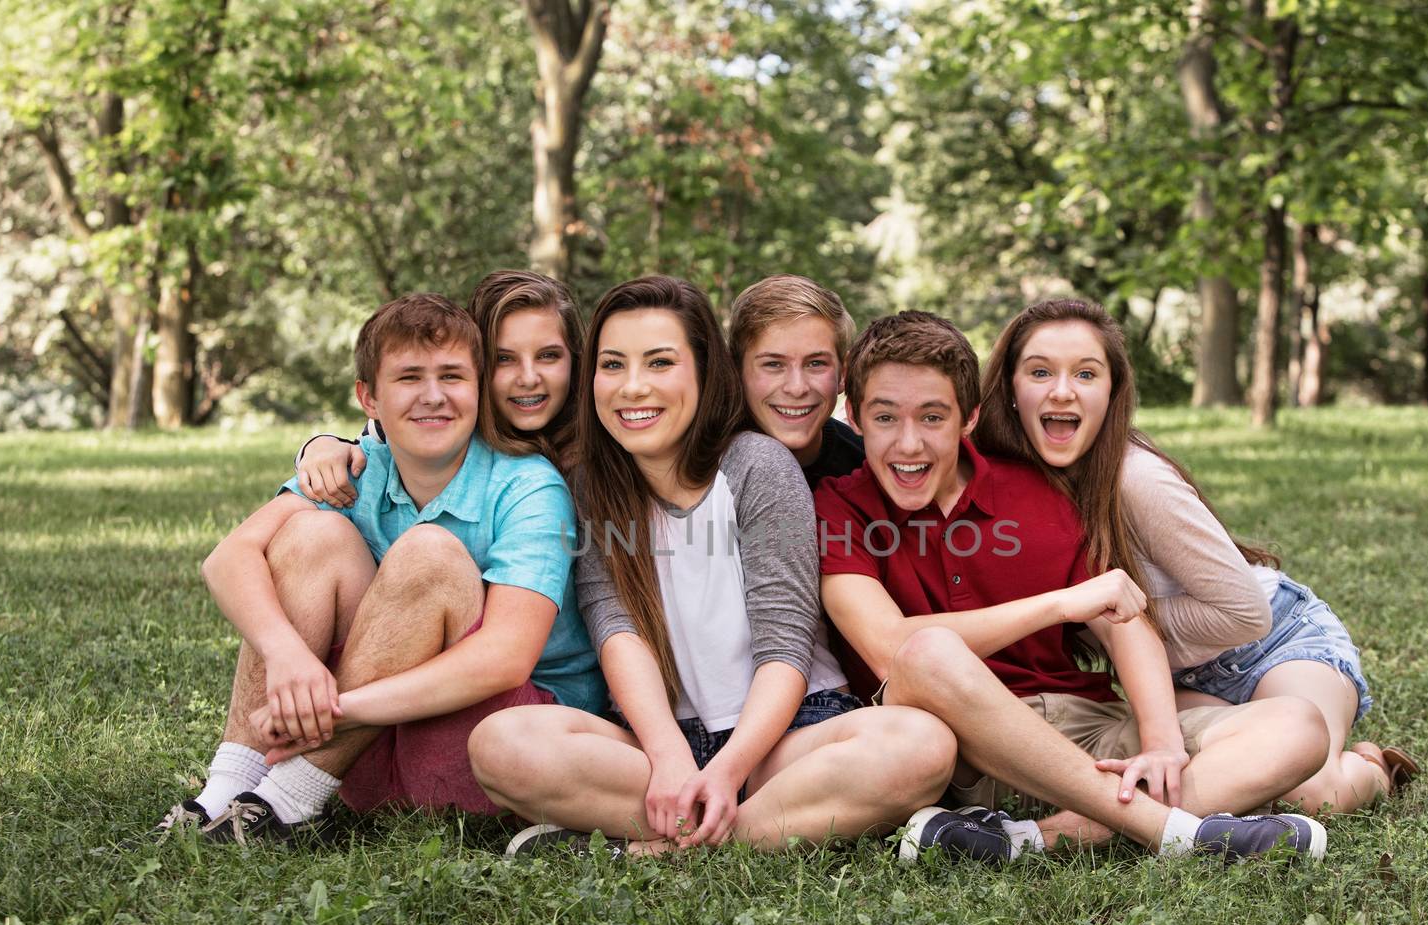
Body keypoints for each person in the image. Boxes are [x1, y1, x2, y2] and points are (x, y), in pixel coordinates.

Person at [815, 310, 1332, 865]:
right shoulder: (837, 506)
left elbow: (1122, 615)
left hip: (1083, 732)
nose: (909, 443)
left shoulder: (1038, 489)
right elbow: (888, 648)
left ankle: (1036, 841)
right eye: (886, 417)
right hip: (965, 750)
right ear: (854, 416)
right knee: (929, 653)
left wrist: (1161, 742)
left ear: (969, 418)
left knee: (1298, 724)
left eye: (932, 417)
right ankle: (1174, 833)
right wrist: (1056, 605)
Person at [468, 276, 955, 855]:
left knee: (921, 745)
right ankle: (754, 825)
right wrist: (670, 754)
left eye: (659, 363)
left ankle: (661, 847)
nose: (633, 387)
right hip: (656, 746)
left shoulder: (757, 464)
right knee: (501, 743)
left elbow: (786, 644)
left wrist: (727, 769)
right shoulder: (591, 486)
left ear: (703, 371)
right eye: (613, 365)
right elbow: (616, 629)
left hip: (785, 737)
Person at [155, 293, 603, 842]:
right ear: (369, 397)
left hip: (495, 745)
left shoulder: (530, 483)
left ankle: (285, 801)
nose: (433, 396)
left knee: (428, 552)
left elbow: (506, 657)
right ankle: (228, 789)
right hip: (372, 750)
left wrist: (333, 709)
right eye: (410, 377)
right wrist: (289, 656)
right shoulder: (361, 466)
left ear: (477, 387)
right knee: (309, 533)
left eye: (451, 376)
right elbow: (229, 556)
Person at [972, 297, 1418, 816]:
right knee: (1194, 778)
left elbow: (1246, 613)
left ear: (1112, 392)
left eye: (1086, 374)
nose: (1062, 390)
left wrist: (1110, 610)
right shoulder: (1003, 479)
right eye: (1040, 371)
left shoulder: (1135, 480)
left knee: (1310, 792)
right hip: (1181, 679)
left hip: (1276, 644)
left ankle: (1370, 767)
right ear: (1008, 388)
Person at [293, 269, 585, 504]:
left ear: (575, 359)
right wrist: (320, 446)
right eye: (503, 358)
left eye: (548, 356)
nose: (528, 378)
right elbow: (367, 445)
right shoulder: (452, 423)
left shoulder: (594, 436)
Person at [727, 274, 865, 488]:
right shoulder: (702, 465)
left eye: (816, 363)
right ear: (736, 372)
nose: (797, 388)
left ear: (844, 374)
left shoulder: (867, 466)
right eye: (773, 364)